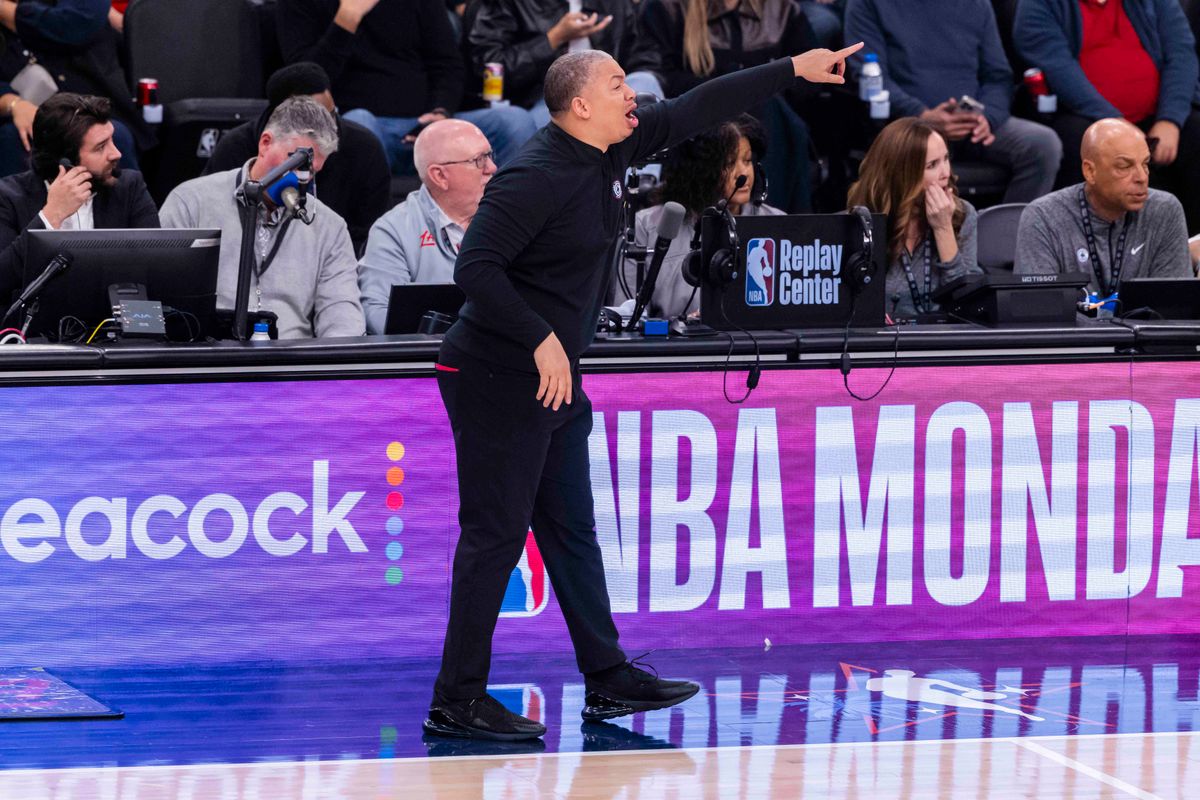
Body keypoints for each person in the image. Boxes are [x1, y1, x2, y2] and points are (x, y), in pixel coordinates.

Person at [425, 42, 863, 741]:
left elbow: (698, 108)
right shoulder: (532, 175)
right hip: (495, 373)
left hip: (553, 377)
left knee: (571, 531)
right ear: (580, 104)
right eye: (618, 84)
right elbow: (476, 267)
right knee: (495, 536)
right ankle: (457, 699)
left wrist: (792, 70)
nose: (633, 95)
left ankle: (606, 677)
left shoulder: (610, 154)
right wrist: (540, 337)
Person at [160, 97, 365, 340]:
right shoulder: (191, 202)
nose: (303, 179)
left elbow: (342, 313)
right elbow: (163, 297)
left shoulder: (329, 226)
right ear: (265, 143)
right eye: (296, 164)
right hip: (211, 360)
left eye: (312, 171)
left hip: (295, 365)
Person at [275, 0, 537, 173]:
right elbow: (304, 81)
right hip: (360, 123)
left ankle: (506, 228)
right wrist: (347, 19)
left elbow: (447, 65)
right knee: (360, 126)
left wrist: (441, 111)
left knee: (514, 122)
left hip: (426, 121)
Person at [844, 0, 1061, 204]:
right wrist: (922, 115)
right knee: (914, 148)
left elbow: (998, 76)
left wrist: (988, 117)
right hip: (907, 124)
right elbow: (870, 77)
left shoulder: (977, 3)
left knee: (1043, 144)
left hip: (973, 125)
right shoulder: (867, 3)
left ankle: (1009, 236)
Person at [1014, 0, 1200, 229]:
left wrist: (1170, 119)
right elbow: (1058, 69)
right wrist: (1115, 125)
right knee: (1080, 141)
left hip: (1158, 119)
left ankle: (1191, 250)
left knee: (1196, 130)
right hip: (1084, 115)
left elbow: (1181, 54)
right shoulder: (1039, 4)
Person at [633, 0, 820, 212]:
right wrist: (727, 91)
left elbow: (808, 78)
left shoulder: (780, 8)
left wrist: (765, 85)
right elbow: (651, 71)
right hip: (694, 123)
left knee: (774, 111)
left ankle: (775, 222)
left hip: (766, 121)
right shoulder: (669, 7)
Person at [202, 62, 390, 256]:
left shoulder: (364, 149)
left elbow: (368, 237)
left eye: (332, 115)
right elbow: (211, 222)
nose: (330, 128)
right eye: (315, 122)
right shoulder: (235, 147)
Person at [617, 114, 783, 319]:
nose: (743, 173)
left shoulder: (776, 223)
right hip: (673, 349)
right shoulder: (646, 226)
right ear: (700, 170)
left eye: (748, 161)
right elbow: (625, 317)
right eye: (730, 163)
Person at [0, 93, 157, 299]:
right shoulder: (8, 197)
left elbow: (155, 268)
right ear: (65, 162)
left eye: (112, 139)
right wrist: (50, 216)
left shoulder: (130, 188)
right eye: (101, 147)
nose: (116, 153)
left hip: (110, 323)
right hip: (36, 327)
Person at [1015, 118, 1190, 292]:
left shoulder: (1164, 210)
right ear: (1090, 171)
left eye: (1145, 164)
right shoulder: (1044, 217)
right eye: (1124, 166)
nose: (1142, 177)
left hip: (1141, 321)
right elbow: (1038, 309)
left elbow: (1173, 307)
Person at [358, 119, 495, 334]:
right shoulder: (394, 230)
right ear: (439, 176)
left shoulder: (512, 217)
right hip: (432, 360)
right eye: (479, 160)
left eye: (489, 155)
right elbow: (377, 312)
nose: (492, 168)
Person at [847, 117, 981, 321]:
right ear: (901, 175)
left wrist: (943, 228)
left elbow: (971, 305)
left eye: (946, 159)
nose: (945, 173)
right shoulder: (860, 223)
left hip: (945, 342)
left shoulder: (963, 215)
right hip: (881, 345)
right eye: (932, 165)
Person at [0, 0, 147, 173]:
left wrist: (5, 10)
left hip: (96, 107)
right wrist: (14, 103)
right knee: (13, 138)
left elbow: (73, 25)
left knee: (112, 135)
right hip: (27, 121)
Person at [467, 0, 664, 127]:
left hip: (609, 94)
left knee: (645, 82)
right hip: (542, 100)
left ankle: (638, 185)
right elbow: (489, 64)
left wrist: (616, 87)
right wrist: (553, 39)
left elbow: (644, 56)